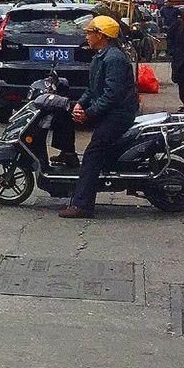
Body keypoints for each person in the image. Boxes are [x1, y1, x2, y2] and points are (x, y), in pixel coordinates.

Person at [59, 15, 139, 219]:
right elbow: (93, 89)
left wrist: (89, 113)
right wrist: (80, 104)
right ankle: (67, 158)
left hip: (118, 115)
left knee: (92, 153)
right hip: (109, 112)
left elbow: (111, 95)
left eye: (90, 32)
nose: (86, 36)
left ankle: (83, 205)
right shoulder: (101, 56)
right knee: (63, 116)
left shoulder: (114, 59)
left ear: (101, 35)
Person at [168, 3, 184, 110]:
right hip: (181, 61)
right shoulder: (178, 25)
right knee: (182, 83)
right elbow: (170, 37)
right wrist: (172, 51)